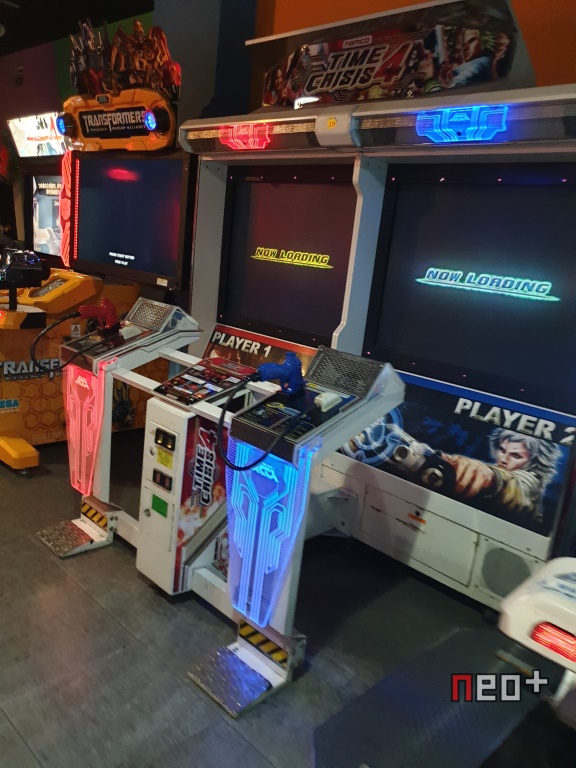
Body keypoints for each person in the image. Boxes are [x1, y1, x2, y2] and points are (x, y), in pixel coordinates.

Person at [442, 428, 561, 524]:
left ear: (534, 462)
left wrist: (492, 480)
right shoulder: (491, 468)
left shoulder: (531, 482)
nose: (504, 459)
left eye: (516, 456)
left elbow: (513, 485)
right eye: (502, 450)